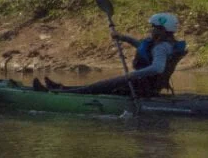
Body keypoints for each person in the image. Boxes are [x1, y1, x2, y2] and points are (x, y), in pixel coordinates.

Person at [34, 13, 186, 96]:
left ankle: (56, 92)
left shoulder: (161, 47)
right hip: (142, 84)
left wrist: (131, 76)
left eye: (155, 28)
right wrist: (123, 38)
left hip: (141, 87)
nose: (152, 30)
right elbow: (142, 48)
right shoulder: (164, 44)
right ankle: (60, 88)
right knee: (97, 86)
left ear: (163, 30)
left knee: (98, 87)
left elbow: (158, 68)